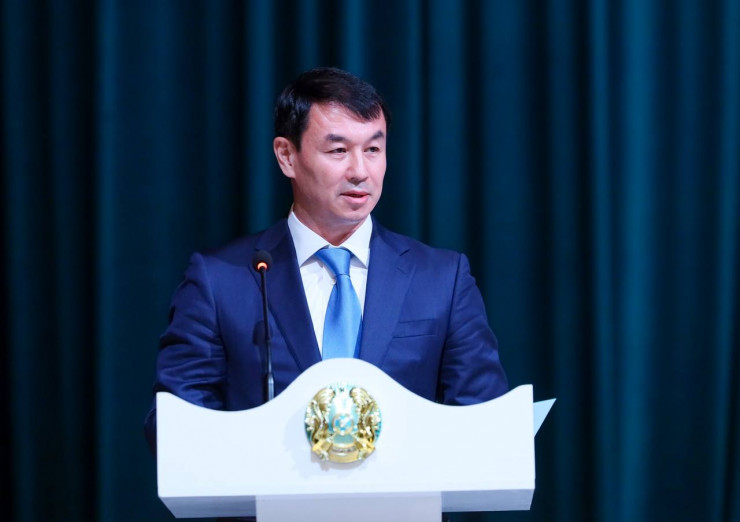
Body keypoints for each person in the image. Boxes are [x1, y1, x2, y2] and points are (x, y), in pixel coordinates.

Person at [145, 67, 508, 453]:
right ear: (287, 156)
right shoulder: (220, 281)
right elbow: (176, 426)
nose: (360, 172)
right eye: (338, 151)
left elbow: (483, 422)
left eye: (373, 150)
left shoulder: (442, 279)